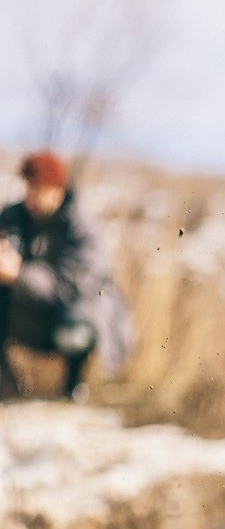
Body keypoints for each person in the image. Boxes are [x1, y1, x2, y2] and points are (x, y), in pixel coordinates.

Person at [0, 150, 132, 400]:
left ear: (57, 190)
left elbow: (69, 286)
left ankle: (73, 386)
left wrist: (18, 272)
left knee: (77, 328)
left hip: (69, 315)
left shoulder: (83, 229)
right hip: (28, 313)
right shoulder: (13, 215)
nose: (30, 197)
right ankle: (7, 384)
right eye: (28, 188)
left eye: (37, 190)